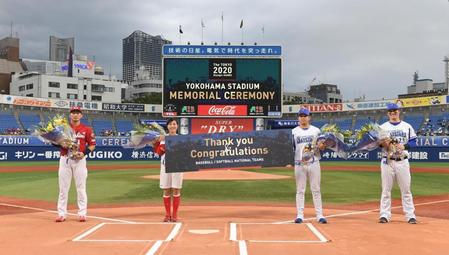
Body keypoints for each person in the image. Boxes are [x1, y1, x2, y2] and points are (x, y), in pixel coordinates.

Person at [378, 103, 417, 224]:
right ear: (387, 113)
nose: (393, 113)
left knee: (406, 190)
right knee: (386, 190)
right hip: (387, 161)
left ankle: (410, 215)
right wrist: (386, 144)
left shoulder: (407, 126)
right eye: (390, 111)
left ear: (399, 111)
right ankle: (384, 215)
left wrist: (404, 146)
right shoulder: (382, 127)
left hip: (402, 161)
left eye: (395, 110)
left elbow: (414, 142)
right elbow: (379, 144)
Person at [55, 106, 96, 222]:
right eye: (73, 112)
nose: (75, 114)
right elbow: (54, 142)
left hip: (80, 161)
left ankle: (82, 213)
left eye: (77, 113)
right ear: (70, 115)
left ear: (81, 115)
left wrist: (84, 153)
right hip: (65, 159)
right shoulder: (62, 129)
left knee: (81, 188)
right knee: (63, 188)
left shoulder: (86, 129)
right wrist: (60, 145)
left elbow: (92, 145)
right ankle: (61, 214)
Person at [291, 108, 327, 224]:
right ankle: (300, 215)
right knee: (300, 190)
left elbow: (322, 147)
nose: (303, 118)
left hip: (314, 162)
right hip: (299, 163)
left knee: (316, 189)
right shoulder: (294, 131)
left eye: (305, 116)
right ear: (298, 118)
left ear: (309, 117)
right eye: (301, 116)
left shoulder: (316, 131)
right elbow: (291, 148)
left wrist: (322, 146)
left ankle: (320, 215)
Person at [153, 118, 183, 222]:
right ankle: (167, 214)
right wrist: (156, 143)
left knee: (176, 189)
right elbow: (159, 153)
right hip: (165, 166)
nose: (172, 126)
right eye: (170, 124)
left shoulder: (181, 138)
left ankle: (174, 215)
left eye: (174, 124)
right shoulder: (162, 138)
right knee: (166, 190)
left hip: (177, 167)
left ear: (177, 126)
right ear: (168, 126)